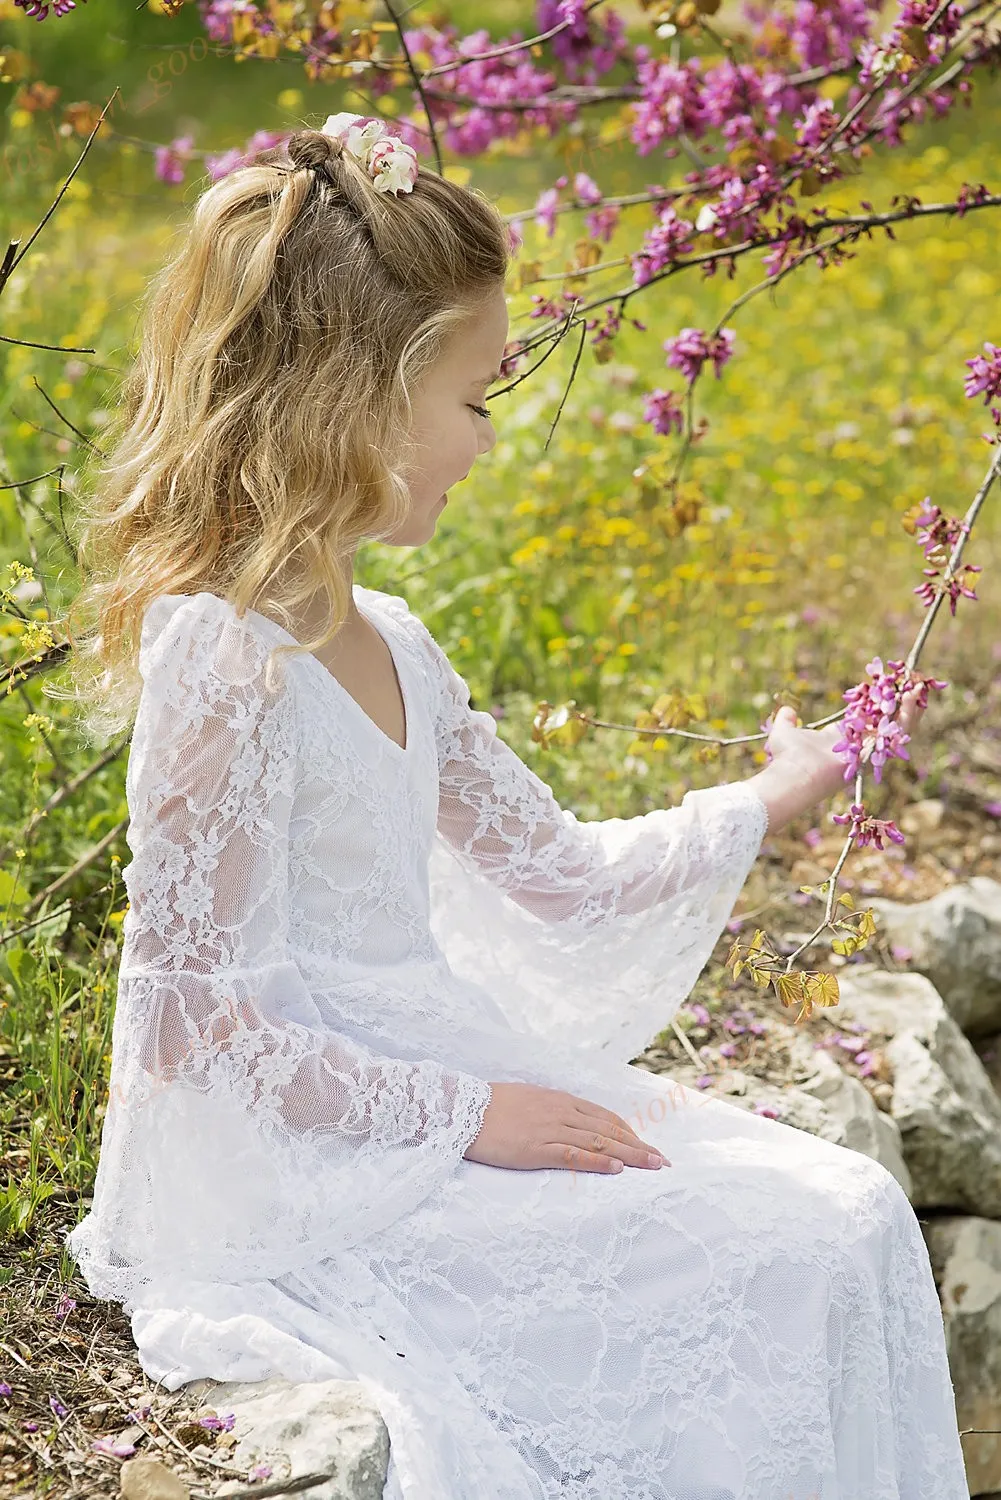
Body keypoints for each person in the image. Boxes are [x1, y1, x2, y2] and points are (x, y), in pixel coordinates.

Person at [61, 114, 968, 1500]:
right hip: (296, 1175)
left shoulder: (398, 646)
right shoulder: (223, 658)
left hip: (418, 1103)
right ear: (362, 397)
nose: (486, 443)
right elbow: (196, 1020)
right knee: (784, 1250)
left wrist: (777, 792)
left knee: (846, 1209)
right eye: (476, 398)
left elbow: (564, 876)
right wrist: (472, 1113)